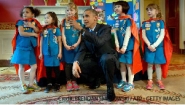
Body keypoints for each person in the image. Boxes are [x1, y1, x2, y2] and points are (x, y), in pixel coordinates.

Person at [70, 8, 118, 101]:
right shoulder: (86, 31)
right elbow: (82, 49)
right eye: (83, 16)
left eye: (87, 16)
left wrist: (81, 29)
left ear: (95, 18)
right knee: (80, 64)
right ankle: (96, 80)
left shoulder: (105, 28)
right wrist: (76, 62)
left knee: (106, 59)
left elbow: (99, 42)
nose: (84, 19)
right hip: (95, 60)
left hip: (108, 58)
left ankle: (110, 87)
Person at [141, 3, 173, 90]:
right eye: (147, 10)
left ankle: (159, 80)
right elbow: (143, 35)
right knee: (150, 64)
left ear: (157, 11)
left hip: (158, 48)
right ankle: (150, 80)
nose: (148, 11)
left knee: (158, 64)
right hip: (149, 48)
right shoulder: (145, 23)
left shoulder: (161, 22)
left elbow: (162, 35)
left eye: (151, 9)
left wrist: (154, 45)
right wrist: (149, 45)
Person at [11, 6, 42, 94]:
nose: (24, 13)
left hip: (30, 48)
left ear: (32, 14)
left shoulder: (35, 22)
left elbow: (38, 31)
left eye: (27, 12)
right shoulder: (20, 22)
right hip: (21, 47)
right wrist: (33, 34)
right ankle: (23, 84)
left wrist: (32, 26)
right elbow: (21, 33)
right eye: (24, 12)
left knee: (34, 66)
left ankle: (31, 84)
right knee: (22, 66)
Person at [112, 1, 142, 92]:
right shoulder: (117, 20)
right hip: (120, 47)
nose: (116, 8)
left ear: (124, 7)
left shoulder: (128, 20)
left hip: (128, 47)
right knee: (122, 64)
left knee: (129, 65)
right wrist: (117, 45)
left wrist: (124, 47)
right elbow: (115, 33)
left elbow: (128, 34)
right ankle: (123, 80)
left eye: (118, 6)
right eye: (115, 7)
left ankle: (130, 83)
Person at [60, 2, 81, 92]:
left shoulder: (79, 22)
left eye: (71, 10)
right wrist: (65, 44)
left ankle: (74, 81)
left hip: (76, 46)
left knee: (75, 64)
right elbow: (63, 34)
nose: (69, 12)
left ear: (75, 11)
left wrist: (77, 44)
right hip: (67, 47)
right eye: (67, 10)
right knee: (68, 65)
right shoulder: (64, 22)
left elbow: (81, 35)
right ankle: (68, 81)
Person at [39, 12, 62, 93]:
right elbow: (41, 42)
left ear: (53, 19)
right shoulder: (43, 30)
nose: (46, 19)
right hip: (46, 53)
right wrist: (41, 53)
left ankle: (57, 83)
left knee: (56, 69)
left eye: (48, 17)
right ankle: (49, 84)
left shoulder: (57, 29)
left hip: (55, 53)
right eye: (45, 18)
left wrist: (60, 52)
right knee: (48, 70)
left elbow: (60, 42)